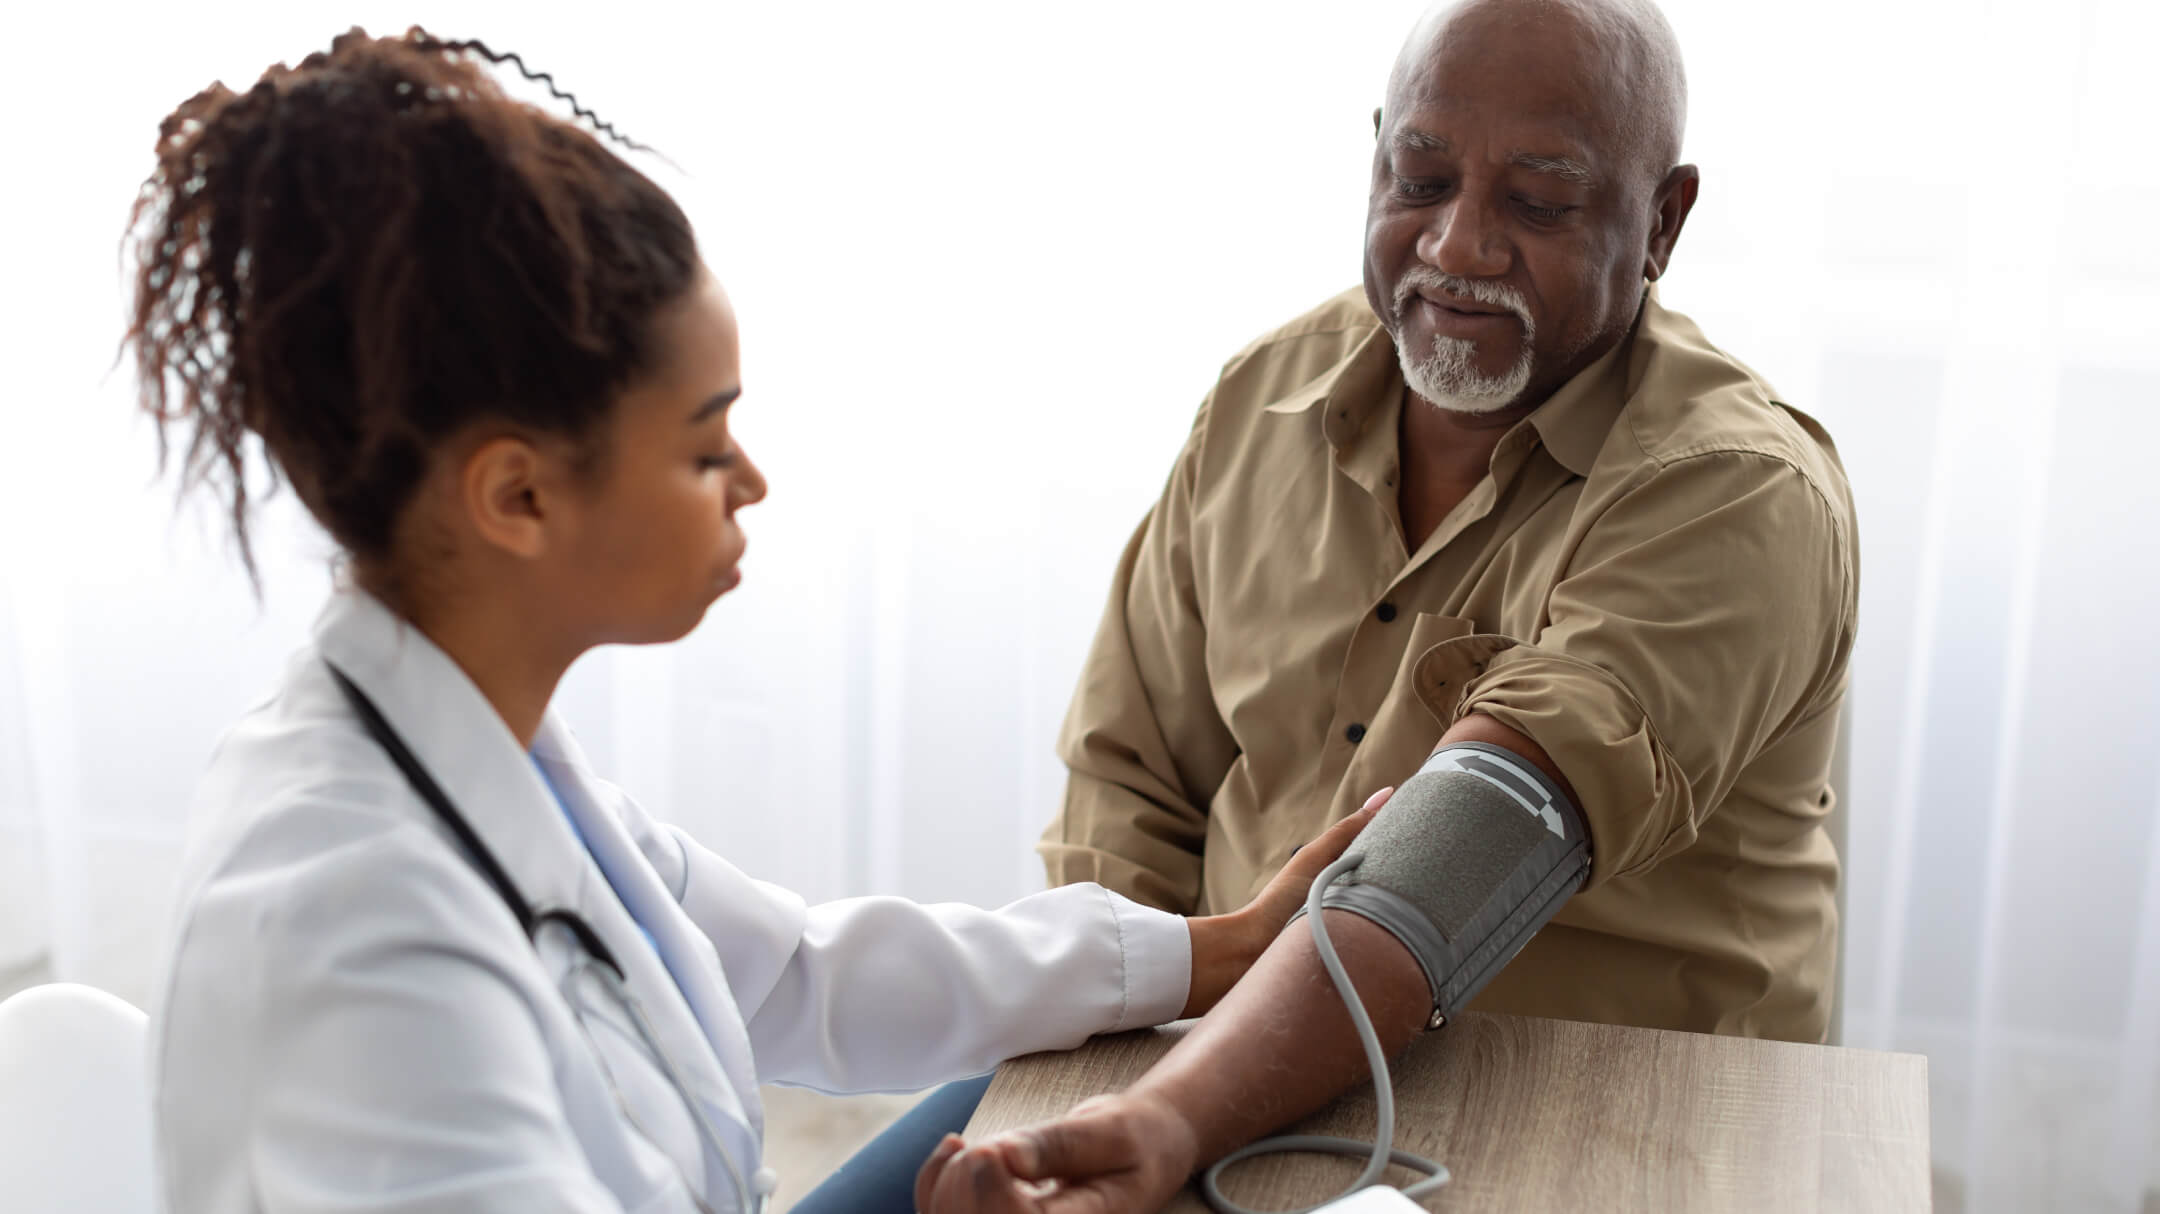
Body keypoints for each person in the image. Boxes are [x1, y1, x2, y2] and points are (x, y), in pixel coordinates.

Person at [127, 29, 1385, 1214]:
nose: (753, 481)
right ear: (518, 494)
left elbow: (796, 970)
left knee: (1030, 1088)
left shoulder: (484, 753)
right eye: (702, 444)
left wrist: (1221, 949)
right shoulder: (356, 933)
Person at [929, 0, 1857, 1206]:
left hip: (1599, 1124)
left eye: (1537, 202)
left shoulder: (1738, 493)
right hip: (1198, 1059)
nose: (1458, 246)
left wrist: (1164, 1117)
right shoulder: (1267, 393)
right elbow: (1131, 776)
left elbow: (1468, 851)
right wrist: (1101, 1078)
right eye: (1419, 177)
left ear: (1663, 222)